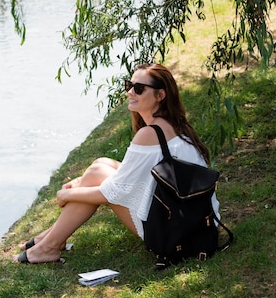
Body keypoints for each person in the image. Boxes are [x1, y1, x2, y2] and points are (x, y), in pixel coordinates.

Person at [14, 62, 220, 264]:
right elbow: (138, 175)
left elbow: (112, 192)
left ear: (160, 95)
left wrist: (66, 194)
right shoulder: (173, 124)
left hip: (175, 233)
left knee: (97, 177)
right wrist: (79, 182)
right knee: (100, 165)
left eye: (139, 88)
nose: (131, 92)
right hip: (195, 222)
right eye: (129, 85)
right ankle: (49, 240)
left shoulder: (150, 133)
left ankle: (48, 246)